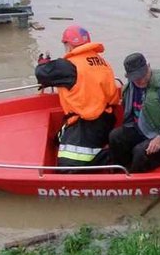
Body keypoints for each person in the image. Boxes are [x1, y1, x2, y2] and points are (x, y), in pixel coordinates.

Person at [34, 24, 120, 169]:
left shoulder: (69, 66)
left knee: (66, 168)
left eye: (64, 43)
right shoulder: (101, 62)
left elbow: (41, 74)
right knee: (57, 139)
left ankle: (110, 158)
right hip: (107, 119)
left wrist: (44, 63)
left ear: (69, 44)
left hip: (87, 126)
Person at [108, 52, 160, 172]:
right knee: (115, 136)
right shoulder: (131, 85)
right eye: (135, 78)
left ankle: (136, 178)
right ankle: (119, 172)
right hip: (144, 128)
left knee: (140, 152)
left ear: (148, 67)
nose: (140, 80)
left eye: (142, 75)